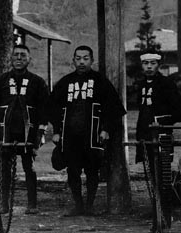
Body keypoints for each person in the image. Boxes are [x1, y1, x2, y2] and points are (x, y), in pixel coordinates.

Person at [50, 45, 126, 216]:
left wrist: (106, 129)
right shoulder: (65, 83)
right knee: (73, 170)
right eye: (78, 58)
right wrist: (56, 131)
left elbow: (113, 108)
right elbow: (53, 107)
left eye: (85, 58)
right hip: (70, 136)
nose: (82, 62)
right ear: (73, 60)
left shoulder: (100, 82)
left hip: (92, 135)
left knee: (92, 170)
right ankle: (78, 205)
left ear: (92, 60)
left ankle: (90, 205)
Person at [0, 44, 50, 214]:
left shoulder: (38, 82)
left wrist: (41, 128)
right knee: (4, 168)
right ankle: (4, 203)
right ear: (11, 59)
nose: (19, 58)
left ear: (29, 59)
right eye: (16, 55)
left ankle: (32, 204)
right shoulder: (0, 81)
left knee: (29, 166)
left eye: (23, 55)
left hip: (28, 131)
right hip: (6, 131)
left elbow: (45, 107)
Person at [134, 52, 179, 167]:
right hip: (145, 130)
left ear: (158, 65)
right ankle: (154, 185)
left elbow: (177, 109)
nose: (149, 66)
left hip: (161, 130)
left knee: (163, 165)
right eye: (145, 63)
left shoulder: (167, 83)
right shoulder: (141, 84)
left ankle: (165, 185)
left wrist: (163, 121)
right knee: (149, 164)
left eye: (152, 63)